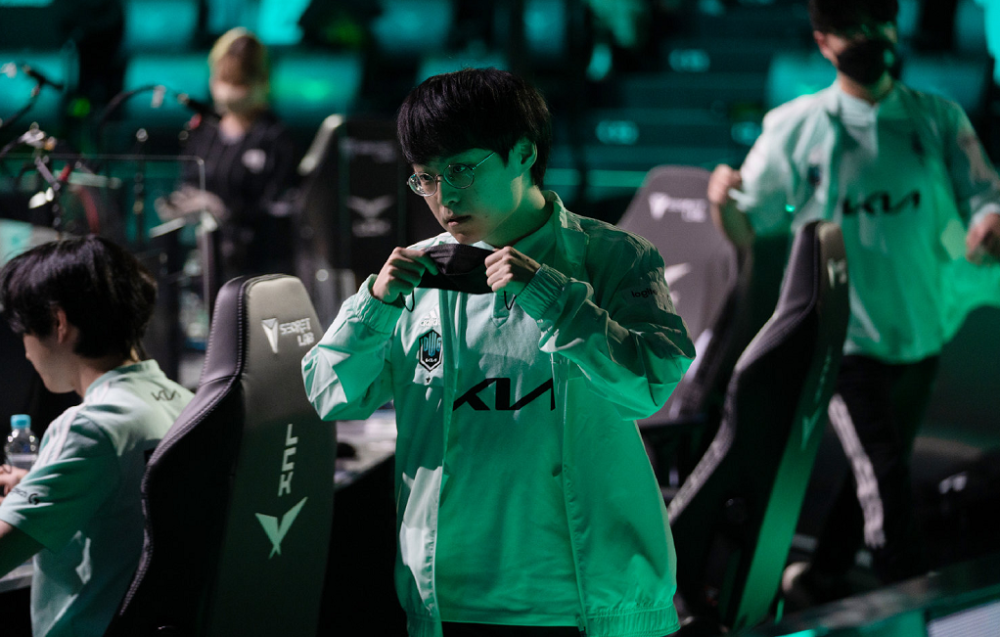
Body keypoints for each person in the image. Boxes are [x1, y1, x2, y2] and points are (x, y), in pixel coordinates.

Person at [302, 68, 695, 637]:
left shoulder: (616, 256)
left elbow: (649, 388)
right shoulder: (412, 274)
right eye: (426, 178)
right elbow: (328, 396)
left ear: (523, 154)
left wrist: (553, 299)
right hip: (448, 600)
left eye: (462, 169)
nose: (444, 197)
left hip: (588, 602)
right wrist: (374, 306)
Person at [707, 0, 1000, 607]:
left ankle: (821, 577)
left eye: (876, 24)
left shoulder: (939, 118)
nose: (867, 38)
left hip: (920, 328)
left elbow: (984, 192)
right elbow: (746, 225)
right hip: (842, 337)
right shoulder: (797, 126)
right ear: (823, 42)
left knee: (877, 466)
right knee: (886, 480)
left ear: (894, 27)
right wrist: (720, 200)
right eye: (851, 30)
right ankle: (914, 604)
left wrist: (989, 219)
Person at [0, 235, 193, 636]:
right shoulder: (184, 401)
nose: (26, 352)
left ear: (58, 323)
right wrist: (37, 485)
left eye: (24, 332)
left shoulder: (89, 425)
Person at [158, 27, 298, 280]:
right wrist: (180, 206)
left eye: (240, 82)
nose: (230, 91)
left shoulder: (276, 138)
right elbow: (187, 180)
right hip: (199, 258)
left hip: (255, 266)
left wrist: (221, 209)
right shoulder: (203, 131)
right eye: (225, 79)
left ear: (261, 81)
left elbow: (276, 211)